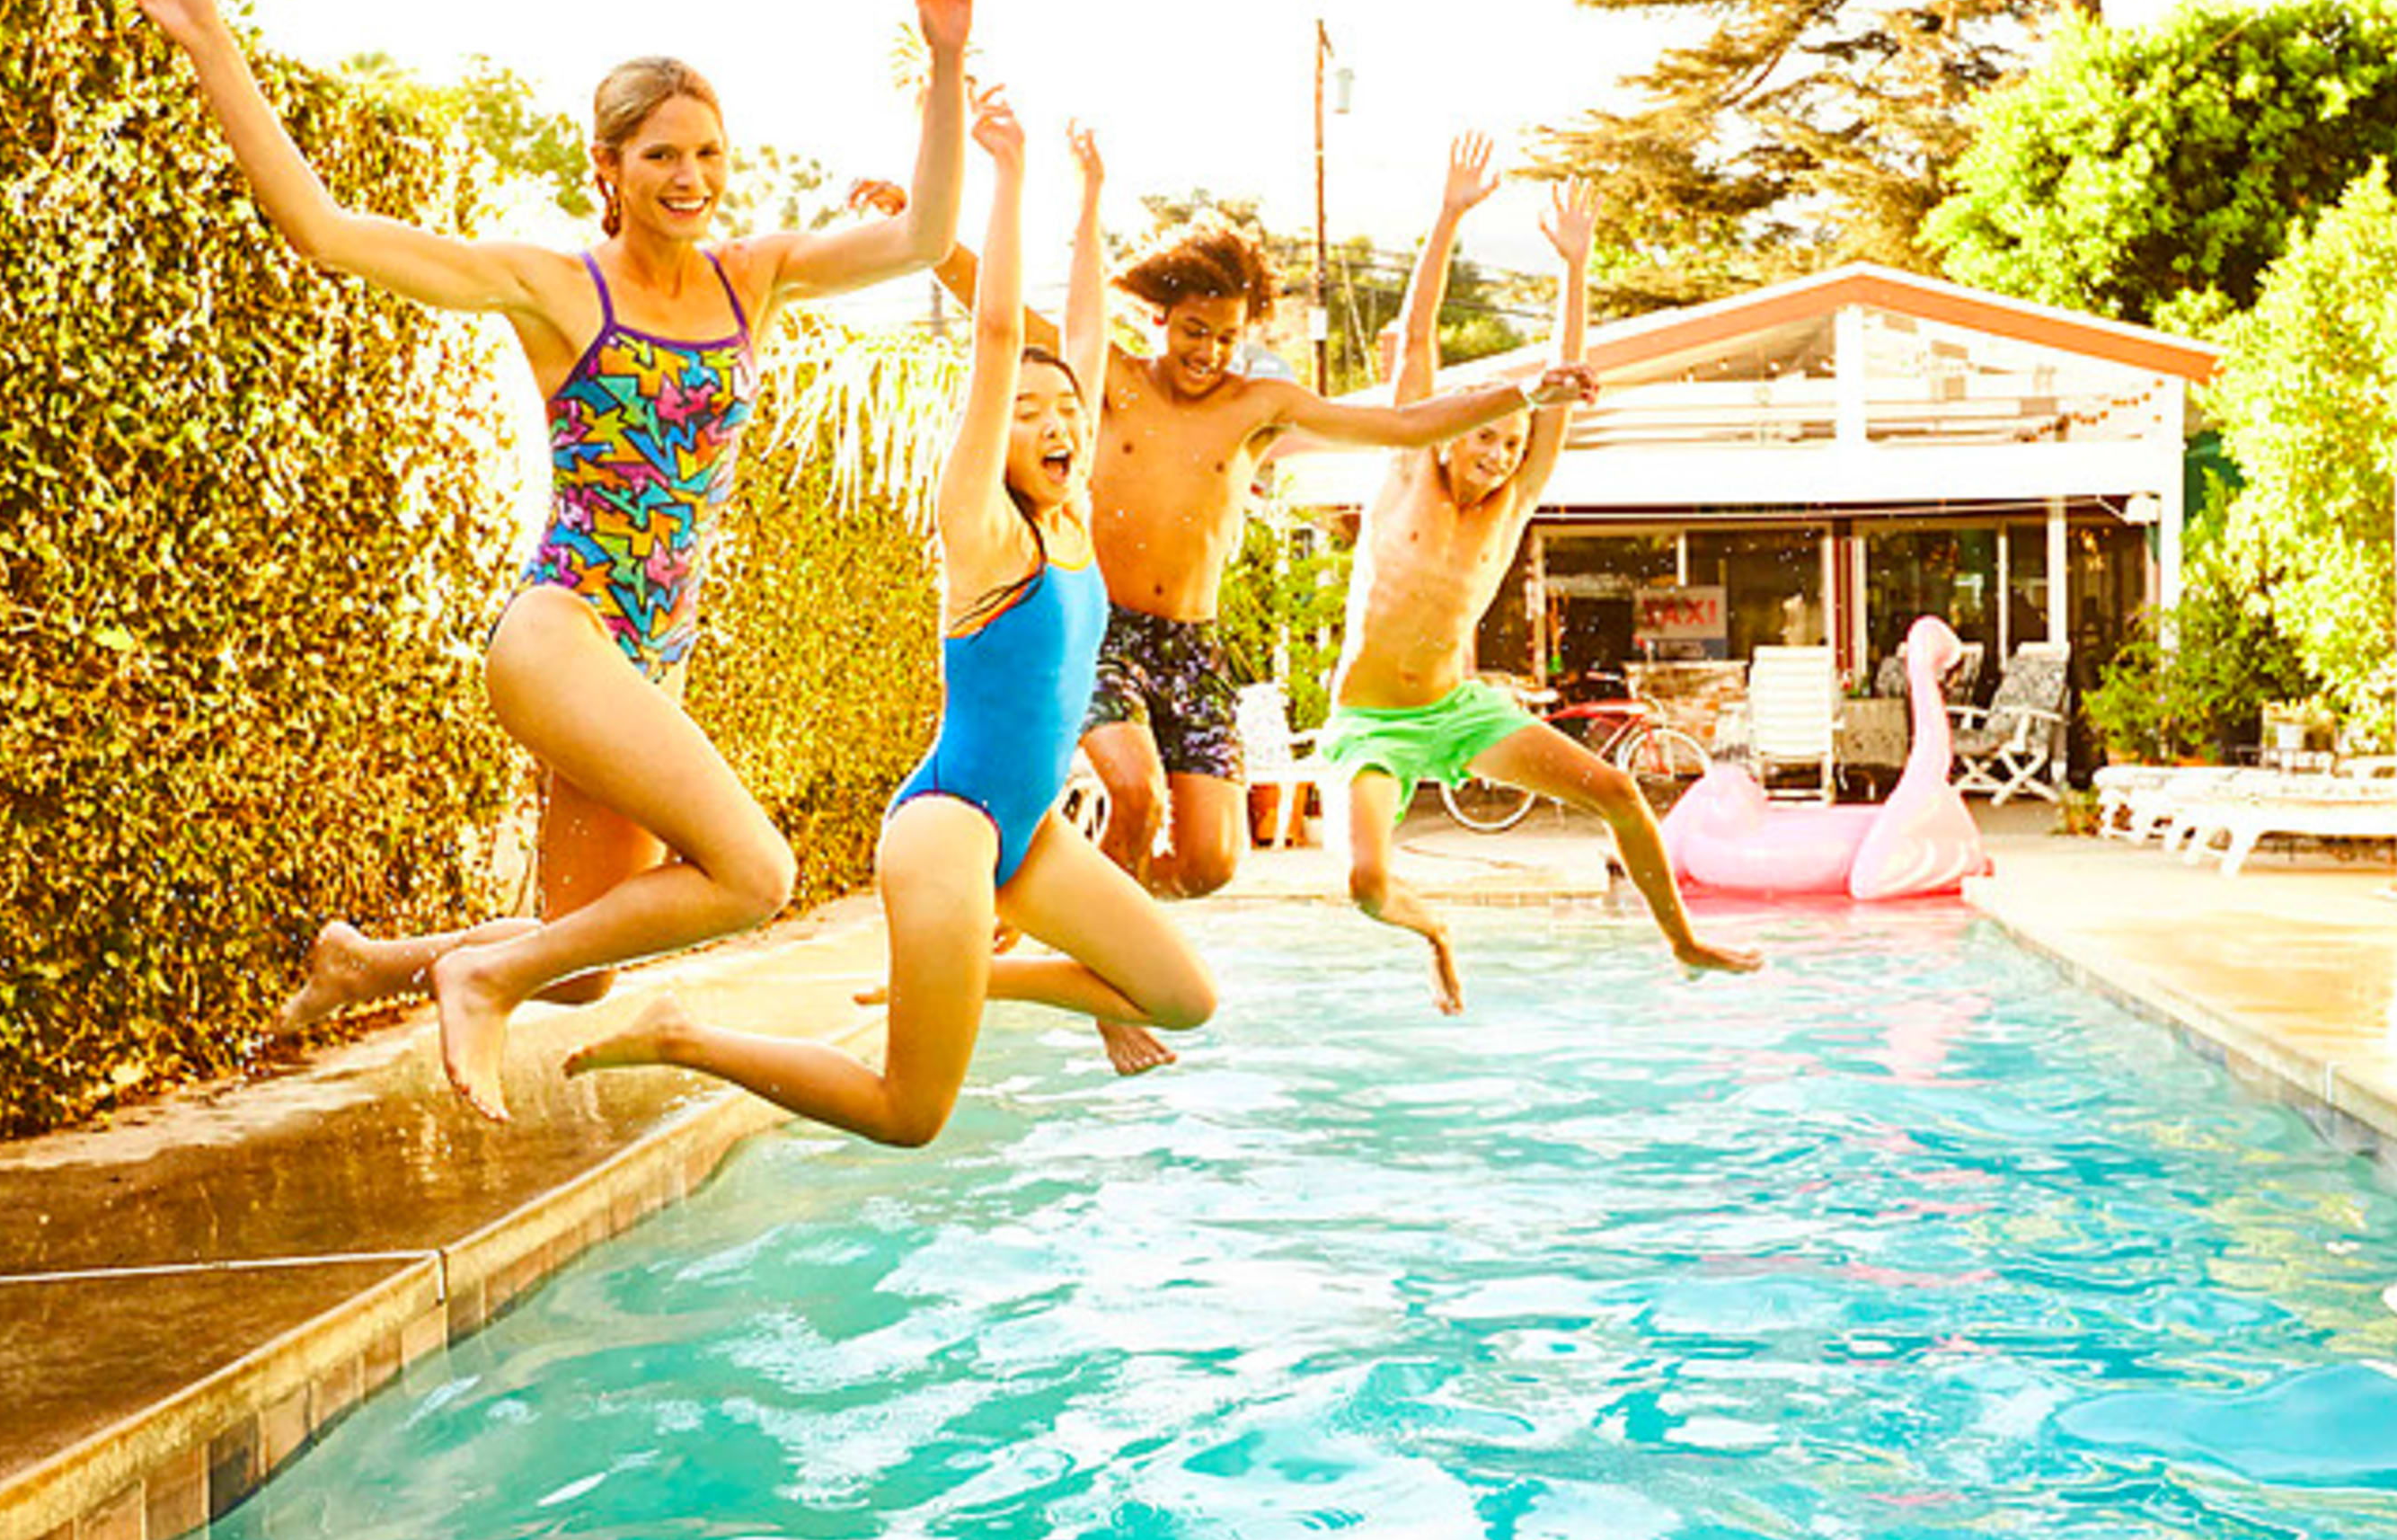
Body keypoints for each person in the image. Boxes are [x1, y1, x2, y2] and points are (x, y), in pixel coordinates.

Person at [113, 0, 973, 1120]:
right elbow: (328, 233)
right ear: (608, 166)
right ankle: (479, 974)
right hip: (562, 634)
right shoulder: (556, 287)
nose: (692, 180)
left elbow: (924, 237)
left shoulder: (753, 276)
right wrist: (208, 36)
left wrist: (940, 63)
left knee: (589, 961)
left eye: (710, 155)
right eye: (663, 155)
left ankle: (370, 962)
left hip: (648, 660)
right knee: (757, 872)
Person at [563, 93, 1214, 1132]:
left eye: (1068, 414)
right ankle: (685, 1037)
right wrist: (1006, 183)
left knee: (1188, 996)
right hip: (948, 833)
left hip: (1027, 832)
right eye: (1029, 415)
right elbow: (1001, 332)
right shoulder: (983, 526)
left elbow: (1081, 337)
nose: (1056, 425)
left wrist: (1092, 200)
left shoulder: (1074, 510)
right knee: (910, 1114)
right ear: (996, 435)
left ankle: (979, 979)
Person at [1066, 129, 1593, 899]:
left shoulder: (1259, 406)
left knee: (1210, 866)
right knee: (1138, 794)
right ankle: (1098, 966)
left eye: (1227, 336)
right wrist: (927, 235)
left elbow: (1408, 422)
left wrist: (1527, 393)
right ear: (1156, 319)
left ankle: (1067, 899)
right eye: (1193, 331)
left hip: (1193, 643)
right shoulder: (1111, 380)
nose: (1209, 351)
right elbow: (1002, 313)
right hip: (1102, 626)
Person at [1318, 142, 1763, 1012]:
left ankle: (1684, 942)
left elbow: (1564, 392)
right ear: (1451, 431)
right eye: (1485, 434)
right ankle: (1436, 931)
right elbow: (1415, 343)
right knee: (1369, 885)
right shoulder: (1408, 466)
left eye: (1510, 446)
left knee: (1620, 791)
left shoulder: (1510, 510)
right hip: (1369, 723)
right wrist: (1448, 215)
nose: (1497, 453)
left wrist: (1576, 268)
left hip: (1460, 711)